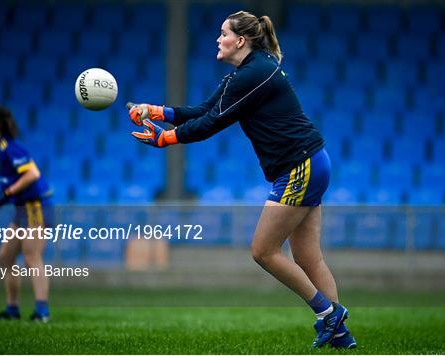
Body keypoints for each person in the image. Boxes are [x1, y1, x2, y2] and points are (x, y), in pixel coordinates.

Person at [128, 10, 356, 349]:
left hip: (300, 167)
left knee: (263, 250)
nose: (218, 39)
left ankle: (328, 314)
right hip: (309, 163)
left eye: (223, 33)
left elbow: (209, 125)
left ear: (241, 40)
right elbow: (204, 110)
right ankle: (340, 335)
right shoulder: (249, 71)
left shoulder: (252, 74)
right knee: (309, 259)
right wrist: (156, 111)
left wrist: (164, 140)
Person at [0, 103, 53, 322]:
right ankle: (12, 309)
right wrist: (4, 197)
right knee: (5, 257)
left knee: (32, 258)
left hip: (34, 206)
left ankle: (42, 311)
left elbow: (32, 174)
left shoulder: (10, 147)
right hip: (22, 208)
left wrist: (5, 194)